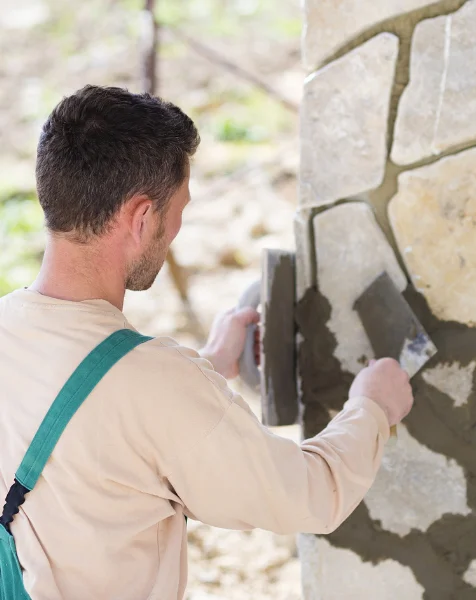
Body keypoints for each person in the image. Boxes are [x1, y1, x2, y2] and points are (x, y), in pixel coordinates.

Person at [0, 85, 414, 600]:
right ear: (141, 217)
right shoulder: (155, 387)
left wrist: (207, 368)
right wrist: (374, 406)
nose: (177, 227)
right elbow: (313, 494)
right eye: (179, 209)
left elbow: (103, 428)